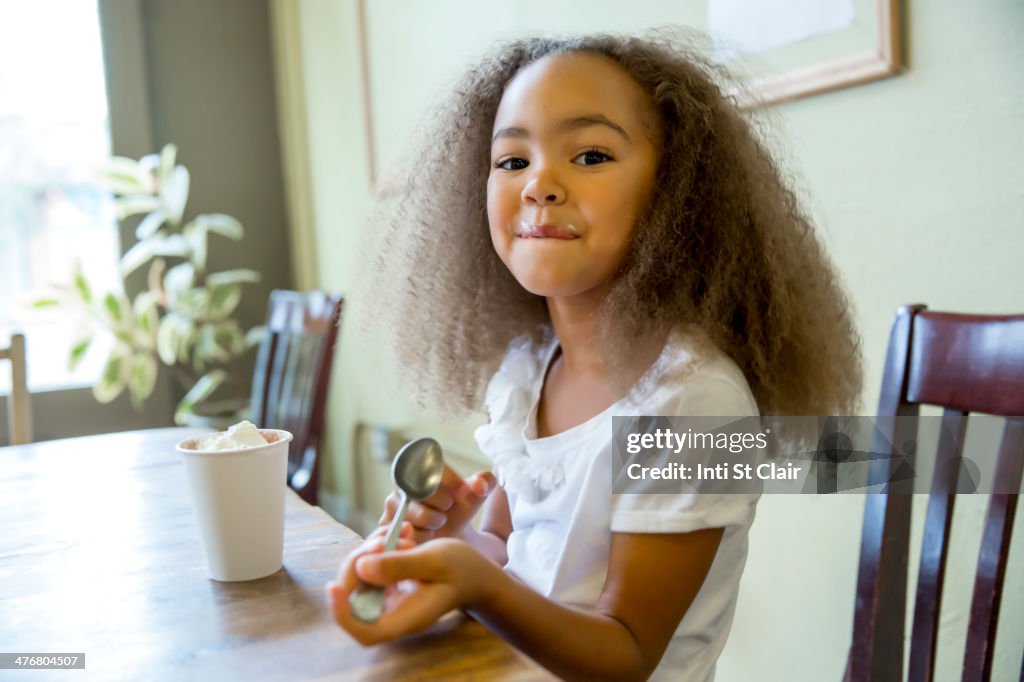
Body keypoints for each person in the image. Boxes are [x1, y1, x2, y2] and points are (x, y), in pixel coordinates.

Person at [326, 30, 862, 681]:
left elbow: (625, 654)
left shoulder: (693, 402)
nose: (540, 183)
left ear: (677, 192)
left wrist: (475, 584)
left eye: (590, 154)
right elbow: (512, 554)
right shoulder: (528, 368)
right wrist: (456, 540)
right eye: (512, 161)